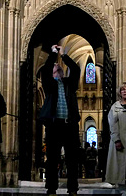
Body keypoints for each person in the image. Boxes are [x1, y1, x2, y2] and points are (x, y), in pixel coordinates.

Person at [39, 44, 81, 196]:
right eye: (55, 68)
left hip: (70, 126)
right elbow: (45, 70)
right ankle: (51, 189)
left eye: (59, 67)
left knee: (72, 160)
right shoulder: (49, 85)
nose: (57, 68)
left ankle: (73, 189)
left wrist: (63, 55)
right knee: (52, 160)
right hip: (54, 125)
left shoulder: (70, 84)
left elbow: (75, 69)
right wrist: (53, 54)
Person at [106, 82, 126, 195]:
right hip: (121, 140)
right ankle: (122, 189)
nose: (125, 91)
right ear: (120, 93)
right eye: (123, 89)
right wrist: (116, 139)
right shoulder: (115, 107)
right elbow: (112, 125)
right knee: (121, 166)